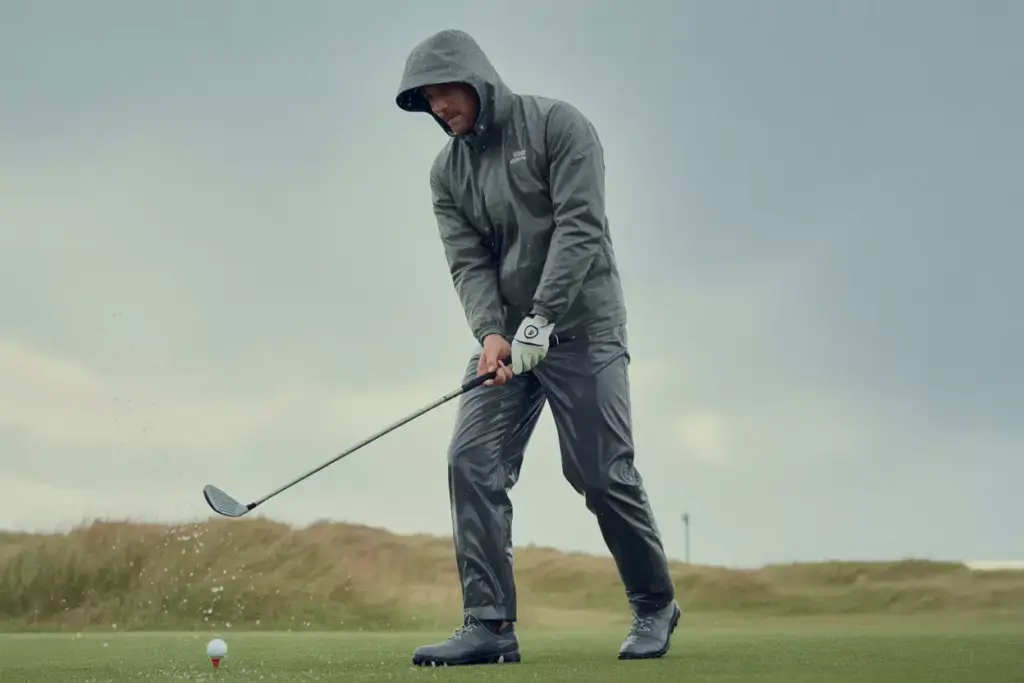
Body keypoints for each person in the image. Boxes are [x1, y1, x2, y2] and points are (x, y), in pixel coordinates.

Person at [395, 29, 680, 666]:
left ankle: (655, 604)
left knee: (600, 474)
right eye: (427, 100)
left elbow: (582, 226)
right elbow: (468, 262)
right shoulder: (447, 171)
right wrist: (492, 334)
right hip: (509, 343)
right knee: (471, 460)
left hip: (584, 329)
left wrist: (543, 318)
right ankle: (490, 626)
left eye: (444, 90)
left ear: (476, 78)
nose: (439, 107)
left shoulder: (557, 126)